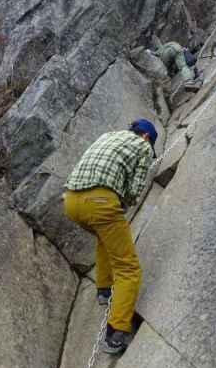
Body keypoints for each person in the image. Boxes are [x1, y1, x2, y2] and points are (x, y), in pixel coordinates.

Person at [63, 119, 158, 354]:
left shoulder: (107, 135)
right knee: (128, 268)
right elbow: (134, 189)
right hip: (101, 202)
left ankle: (104, 289)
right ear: (146, 136)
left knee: (104, 237)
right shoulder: (143, 146)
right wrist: (123, 201)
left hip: (71, 202)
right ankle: (117, 331)